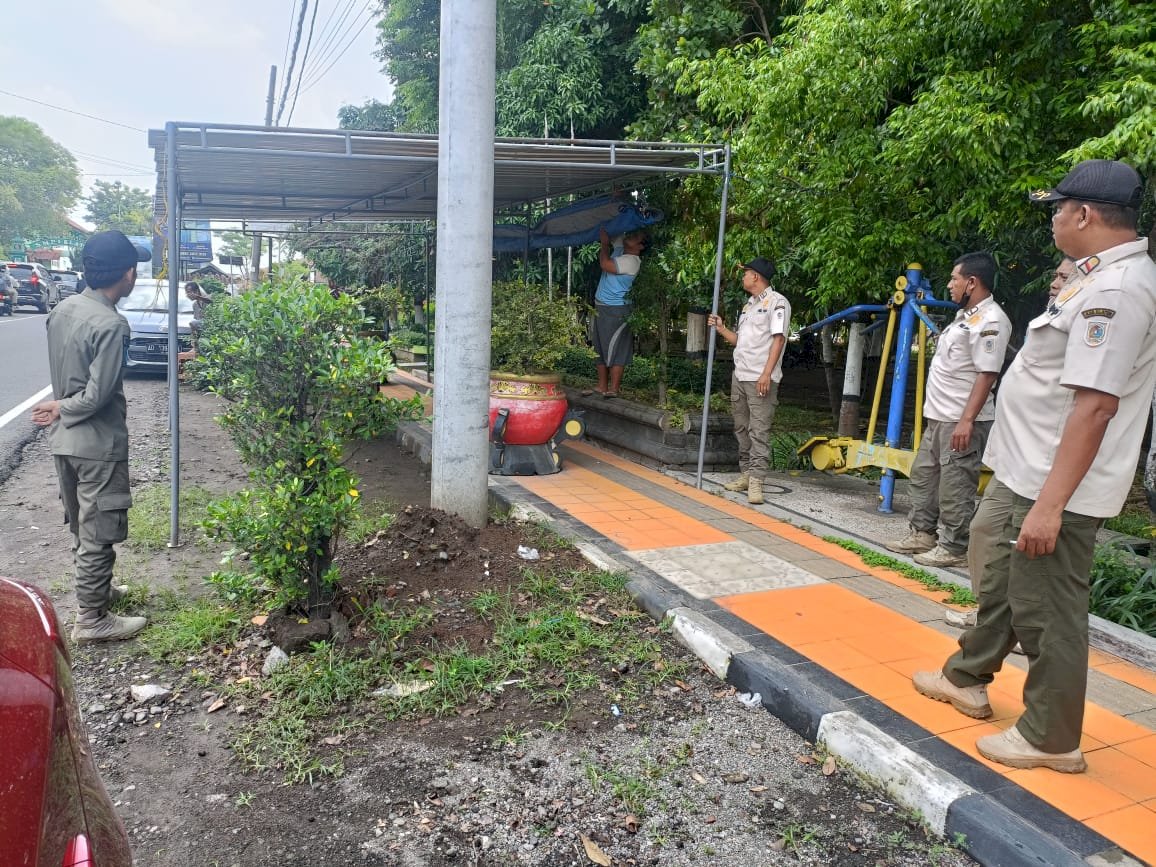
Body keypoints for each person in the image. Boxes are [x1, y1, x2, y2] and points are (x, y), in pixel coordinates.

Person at [912, 159, 1156, 773]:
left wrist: (1050, 506)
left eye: (1056, 208)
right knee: (999, 576)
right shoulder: (1091, 279)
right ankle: (967, 675)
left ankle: (1052, 738)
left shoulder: (1118, 292)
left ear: (1084, 214)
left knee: (1050, 610)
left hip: (1056, 486)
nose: (1052, 219)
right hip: (1024, 471)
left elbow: (1096, 406)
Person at [31, 230, 150, 644]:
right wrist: (63, 405)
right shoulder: (111, 324)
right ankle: (92, 618)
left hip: (65, 442)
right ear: (128, 273)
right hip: (98, 443)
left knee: (83, 525)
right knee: (100, 528)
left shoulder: (63, 309)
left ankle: (99, 591)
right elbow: (98, 396)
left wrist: (60, 406)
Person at [948, 253, 1077, 632]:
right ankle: (988, 613)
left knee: (1023, 546)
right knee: (985, 529)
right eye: (1055, 274)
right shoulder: (1050, 321)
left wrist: (968, 418)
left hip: (1044, 459)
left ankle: (1017, 625)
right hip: (1014, 454)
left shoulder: (1082, 324)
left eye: (1064, 277)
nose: (1055, 282)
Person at [884, 253, 1011, 568]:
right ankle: (922, 534)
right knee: (924, 476)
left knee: (956, 486)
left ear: (972, 282)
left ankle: (954, 547)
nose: (950, 284)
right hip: (939, 418)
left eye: (955, 278)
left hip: (961, 420)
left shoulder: (991, 320)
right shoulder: (966, 317)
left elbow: (987, 374)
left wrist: (967, 421)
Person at [708, 257, 791, 505]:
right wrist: (722, 329)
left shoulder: (777, 303)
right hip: (741, 375)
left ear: (755, 276)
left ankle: (757, 482)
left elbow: (779, 339)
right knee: (741, 427)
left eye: (745, 273)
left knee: (759, 431)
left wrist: (766, 373)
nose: (742, 277)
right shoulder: (748, 306)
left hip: (760, 378)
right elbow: (741, 341)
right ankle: (746, 475)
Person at [591, 227, 646, 397]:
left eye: (636, 237)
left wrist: (605, 246)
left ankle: (613, 389)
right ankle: (601, 386)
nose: (631, 236)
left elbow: (605, 264)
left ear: (640, 247)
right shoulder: (622, 249)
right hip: (602, 306)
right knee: (598, 347)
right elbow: (614, 232)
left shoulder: (632, 261)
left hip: (617, 308)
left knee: (617, 347)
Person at [185, 280, 213, 345]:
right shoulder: (195, 305)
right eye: (187, 293)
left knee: (192, 323)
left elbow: (210, 301)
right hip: (203, 331)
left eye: (189, 292)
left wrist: (198, 297)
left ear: (196, 291)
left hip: (212, 326)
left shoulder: (209, 297)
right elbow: (197, 321)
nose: (188, 295)